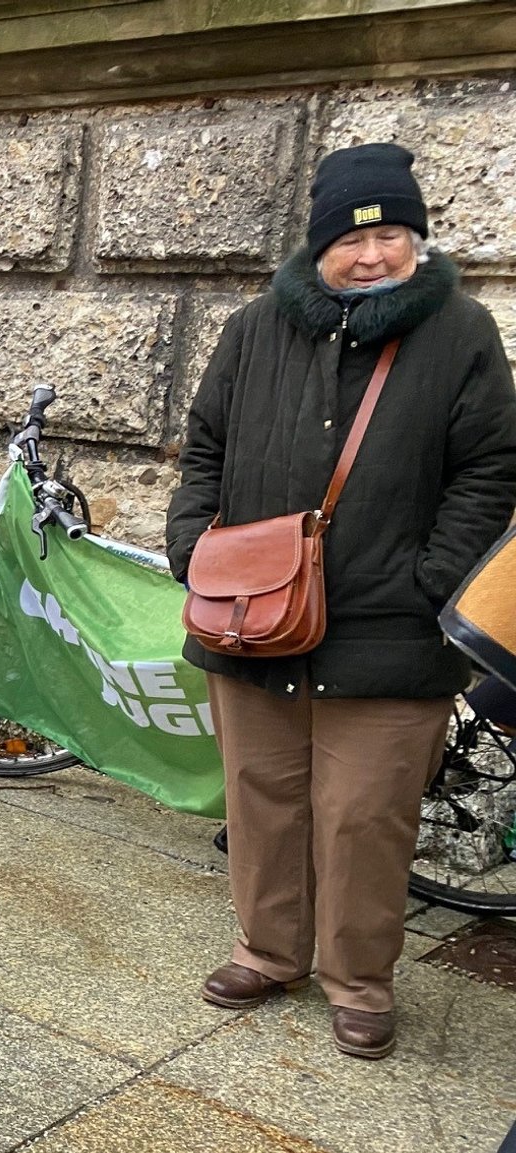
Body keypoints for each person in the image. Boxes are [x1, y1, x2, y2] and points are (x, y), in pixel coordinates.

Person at [168, 142, 516, 1061]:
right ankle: (267, 950)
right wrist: (191, 546)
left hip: (391, 634)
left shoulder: (462, 333)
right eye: (353, 240)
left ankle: (360, 981)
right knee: (261, 798)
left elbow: (490, 470)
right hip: (253, 619)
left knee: (366, 817)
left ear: (417, 237)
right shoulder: (253, 329)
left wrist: (429, 580)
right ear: (317, 244)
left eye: (394, 234)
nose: (373, 255)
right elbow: (202, 447)